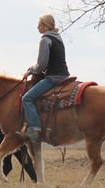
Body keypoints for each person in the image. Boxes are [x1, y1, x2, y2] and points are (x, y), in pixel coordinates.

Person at [22, 13, 70, 142]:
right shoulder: (58, 38)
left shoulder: (45, 40)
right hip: (65, 75)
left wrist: (30, 71)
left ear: (45, 26)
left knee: (26, 98)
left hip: (53, 77)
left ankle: (35, 128)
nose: (37, 27)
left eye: (39, 24)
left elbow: (41, 65)